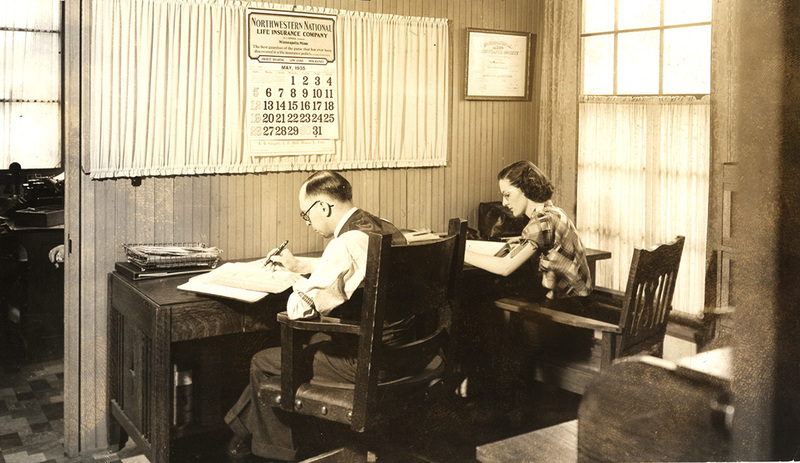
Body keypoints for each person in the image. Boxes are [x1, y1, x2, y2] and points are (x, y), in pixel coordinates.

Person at [224, 170, 407, 462]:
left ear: (323, 206)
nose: (308, 223)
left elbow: (300, 309)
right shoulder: (384, 228)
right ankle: (243, 430)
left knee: (263, 363)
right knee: (317, 340)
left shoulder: (343, 244)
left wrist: (294, 281)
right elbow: (355, 269)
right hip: (406, 354)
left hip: (369, 362)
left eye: (306, 214)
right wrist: (299, 265)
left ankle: (275, 453)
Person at [458, 160, 594, 400]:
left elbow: (504, 267)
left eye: (508, 195)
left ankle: (486, 397)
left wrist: (458, 252)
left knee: (496, 322)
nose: (504, 203)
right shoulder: (553, 213)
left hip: (570, 325)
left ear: (527, 190)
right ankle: (482, 388)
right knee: (499, 315)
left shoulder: (541, 222)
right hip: (577, 316)